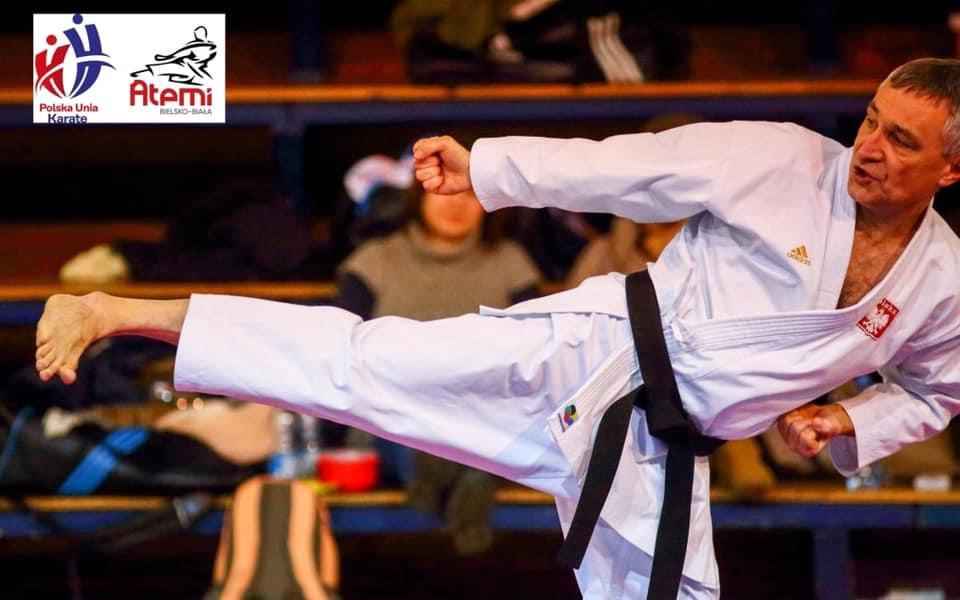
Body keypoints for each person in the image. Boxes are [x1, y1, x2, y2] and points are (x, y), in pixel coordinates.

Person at [34, 57, 960, 599]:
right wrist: (488, 171)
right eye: (871, 121)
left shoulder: (943, 283)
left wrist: (850, 419)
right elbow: (627, 167)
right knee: (364, 365)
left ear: (949, 170)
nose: (870, 149)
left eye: (902, 141)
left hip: (663, 448)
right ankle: (118, 311)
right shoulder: (784, 161)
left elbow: (936, 390)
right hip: (587, 356)